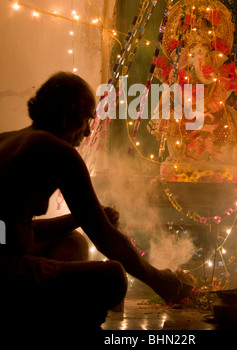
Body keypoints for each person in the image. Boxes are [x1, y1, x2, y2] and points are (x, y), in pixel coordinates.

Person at [0, 72, 190, 339]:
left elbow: (10, 228)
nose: (89, 131)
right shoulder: (56, 150)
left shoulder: (9, 138)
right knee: (112, 276)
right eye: (88, 119)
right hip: (6, 273)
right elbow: (105, 238)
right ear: (67, 114)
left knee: (73, 241)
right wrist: (160, 281)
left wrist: (78, 218)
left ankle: (43, 308)